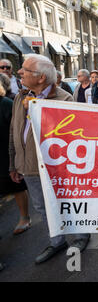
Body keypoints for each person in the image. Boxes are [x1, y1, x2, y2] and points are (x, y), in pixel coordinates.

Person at [9, 54, 90, 264]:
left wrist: (37, 110)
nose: (19, 72)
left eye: (25, 70)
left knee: (68, 203)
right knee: (42, 207)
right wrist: (14, 162)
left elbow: (71, 137)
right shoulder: (20, 97)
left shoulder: (64, 99)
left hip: (57, 168)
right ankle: (57, 241)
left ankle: (81, 236)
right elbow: (14, 131)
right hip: (28, 166)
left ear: (41, 78)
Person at [0, 76, 30, 236]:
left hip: (5, 153)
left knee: (16, 185)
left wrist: (15, 158)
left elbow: (16, 132)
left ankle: (24, 217)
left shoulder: (6, 104)